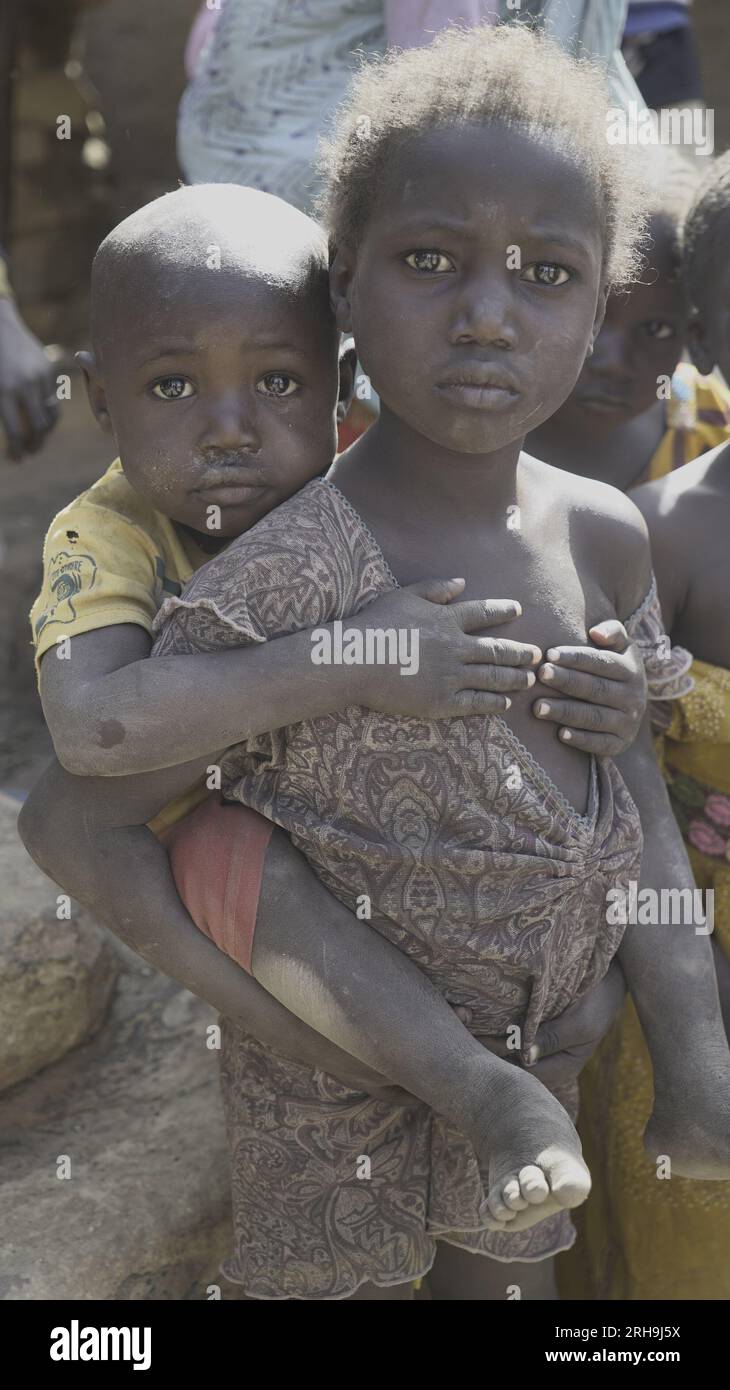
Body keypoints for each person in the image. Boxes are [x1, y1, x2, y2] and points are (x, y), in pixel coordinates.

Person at [141, 25, 729, 1299]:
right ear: (342, 283)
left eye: (546, 275)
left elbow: (630, 811)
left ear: (599, 297)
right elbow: (129, 807)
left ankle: (700, 1082)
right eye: (427, 261)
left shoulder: (605, 533)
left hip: (550, 1050)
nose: (484, 314)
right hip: (335, 1085)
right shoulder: (289, 561)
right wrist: (254, 1005)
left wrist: (664, 1028)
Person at [20, 177, 646, 1298]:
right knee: (219, 845)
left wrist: (604, 686)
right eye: (172, 386)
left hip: (394, 857)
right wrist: (350, 661)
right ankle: (434, 1072)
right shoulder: (102, 532)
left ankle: (489, 1066)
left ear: (338, 384)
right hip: (224, 860)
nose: (231, 428)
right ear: (101, 402)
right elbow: (96, 732)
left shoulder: (373, 480)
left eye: (277, 381)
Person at [561, 150, 730, 1301]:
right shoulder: (659, 535)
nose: (618, 361)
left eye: (650, 330)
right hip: (691, 952)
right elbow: (624, 781)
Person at [527, 153, 730, 491]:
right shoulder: (467, 426)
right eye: (595, 316)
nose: (613, 363)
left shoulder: (710, 426)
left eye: (656, 330)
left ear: (695, 336)